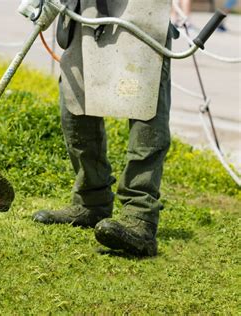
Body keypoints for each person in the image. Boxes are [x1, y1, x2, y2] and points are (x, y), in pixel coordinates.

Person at [19, 0, 178, 257]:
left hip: (143, 11)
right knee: (75, 103)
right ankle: (91, 201)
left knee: (146, 113)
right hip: (85, 10)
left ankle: (140, 215)